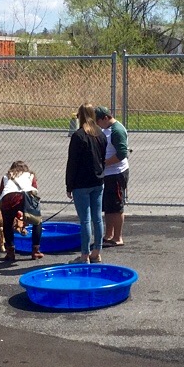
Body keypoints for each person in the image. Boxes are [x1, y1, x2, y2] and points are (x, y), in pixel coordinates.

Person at [65, 103, 107, 264]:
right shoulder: (100, 134)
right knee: (97, 218)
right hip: (98, 181)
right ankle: (97, 252)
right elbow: (102, 158)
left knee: (85, 220)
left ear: (80, 116)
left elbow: (72, 163)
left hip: (81, 183)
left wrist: (69, 185)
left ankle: (84, 255)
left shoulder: (79, 136)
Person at [95, 106, 129, 247]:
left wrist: (104, 163)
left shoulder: (117, 130)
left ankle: (117, 237)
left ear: (105, 118)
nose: (97, 124)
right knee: (108, 205)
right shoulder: (106, 129)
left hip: (116, 173)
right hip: (107, 174)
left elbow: (121, 154)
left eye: (98, 121)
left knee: (116, 205)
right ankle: (108, 234)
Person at [0, 160, 43, 261]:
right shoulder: (30, 175)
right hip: (26, 197)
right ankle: (35, 251)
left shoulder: (6, 176)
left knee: (7, 224)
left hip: (8, 197)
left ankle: (10, 252)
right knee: (37, 221)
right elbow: (34, 191)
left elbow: (2, 192)